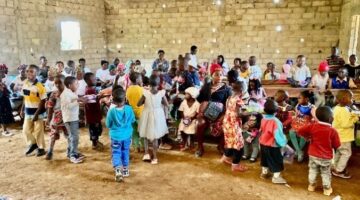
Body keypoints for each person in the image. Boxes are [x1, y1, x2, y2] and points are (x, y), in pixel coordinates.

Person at [297, 106, 340, 196]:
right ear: (331, 118)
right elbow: (337, 145)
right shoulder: (333, 131)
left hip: (313, 154)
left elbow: (300, 131)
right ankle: (327, 189)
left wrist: (307, 137)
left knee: (313, 170)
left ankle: (311, 186)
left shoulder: (313, 126)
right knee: (325, 173)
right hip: (326, 157)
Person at [196, 65, 231, 157]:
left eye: (221, 75)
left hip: (219, 115)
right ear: (211, 75)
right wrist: (200, 112)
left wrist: (223, 116)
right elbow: (200, 100)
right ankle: (200, 147)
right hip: (206, 113)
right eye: (216, 75)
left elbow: (229, 104)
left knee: (226, 124)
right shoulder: (206, 86)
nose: (219, 77)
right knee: (200, 123)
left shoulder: (226, 89)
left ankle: (220, 146)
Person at [137, 75, 169, 164]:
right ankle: (155, 157)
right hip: (158, 116)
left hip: (146, 114)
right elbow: (166, 104)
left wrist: (144, 100)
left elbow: (138, 104)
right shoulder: (161, 93)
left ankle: (146, 153)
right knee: (155, 138)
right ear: (159, 84)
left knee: (145, 135)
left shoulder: (145, 93)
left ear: (149, 84)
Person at [106, 88, 135, 182]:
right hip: (127, 136)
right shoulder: (129, 109)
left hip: (115, 137)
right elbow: (133, 120)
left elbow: (108, 124)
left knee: (116, 152)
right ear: (125, 99)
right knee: (125, 151)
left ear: (113, 101)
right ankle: (126, 170)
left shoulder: (111, 111)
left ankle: (118, 170)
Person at [221, 80, 248, 172]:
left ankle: (225, 158)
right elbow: (238, 114)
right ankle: (235, 165)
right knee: (238, 145)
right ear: (241, 90)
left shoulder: (229, 97)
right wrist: (248, 113)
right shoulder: (238, 100)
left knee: (230, 141)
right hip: (233, 124)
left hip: (227, 123)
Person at [332, 90, 359, 179]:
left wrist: (352, 114)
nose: (352, 99)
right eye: (351, 97)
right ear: (344, 99)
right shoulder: (343, 110)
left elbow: (344, 119)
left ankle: (335, 167)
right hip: (344, 137)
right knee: (346, 153)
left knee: (339, 152)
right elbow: (346, 124)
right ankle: (339, 170)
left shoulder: (337, 108)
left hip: (338, 135)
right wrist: (355, 118)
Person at [21, 65, 47, 157]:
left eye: (31, 71)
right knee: (25, 130)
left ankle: (41, 148)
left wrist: (36, 114)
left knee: (38, 131)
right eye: (27, 71)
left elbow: (43, 101)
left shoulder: (40, 86)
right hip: (28, 111)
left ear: (37, 73)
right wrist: (22, 109)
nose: (29, 73)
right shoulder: (25, 83)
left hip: (38, 112)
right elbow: (25, 97)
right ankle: (33, 143)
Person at [259, 99, 287, 184]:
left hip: (263, 143)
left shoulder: (263, 119)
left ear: (264, 110)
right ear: (276, 111)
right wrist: (283, 142)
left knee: (265, 159)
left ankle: (264, 173)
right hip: (273, 145)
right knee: (276, 160)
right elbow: (278, 135)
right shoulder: (276, 121)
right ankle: (276, 177)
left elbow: (262, 130)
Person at [61, 76, 85, 163]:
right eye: (76, 83)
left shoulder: (71, 92)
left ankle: (70, 152)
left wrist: (79, 100)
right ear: (70, 85)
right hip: (70, 119)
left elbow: (74, 102)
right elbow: (68, 106)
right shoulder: (65, 94)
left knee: (73, 136)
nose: (78, 84)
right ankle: (73, 155)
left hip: (73, 117)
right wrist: (78, 101)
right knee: (74, 137)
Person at [45, 75, 68, 160]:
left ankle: (70, 150)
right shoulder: (54, 94)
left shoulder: (69, 92)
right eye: (56, 83)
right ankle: (50, 151)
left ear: (64, 83)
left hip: (67, 117)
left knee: (69, 135)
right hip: (57, 117)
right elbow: (50, 107)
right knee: (53, 134)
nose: (58, 85)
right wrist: (48, 118)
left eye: (60, 82)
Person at [289, 90, 316, 162]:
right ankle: (299, 151)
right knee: (291, 132)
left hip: (307, 123)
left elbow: (314, 117)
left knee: (303, 134)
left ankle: (298, 151)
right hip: (298, 122)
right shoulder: (298, 105)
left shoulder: (312, 107)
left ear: (306, 99)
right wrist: (294, 115)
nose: (298, 99)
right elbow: (296, 115)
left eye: (300, 98)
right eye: (298, 98)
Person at [84, 72, 104, 150]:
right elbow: (92, 104)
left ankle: (96, 141)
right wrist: (99, 97)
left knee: (97, 129)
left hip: (94, 114)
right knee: (94, 129)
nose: (96, 80)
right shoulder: (90, 90)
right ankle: (94, 144)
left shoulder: (91, 88)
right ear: (88, 81)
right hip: (93, 115)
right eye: (94, 79)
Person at [125, 72, 144, 152]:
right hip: (141, 113)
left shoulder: (128, 89)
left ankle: (136, 147)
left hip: (131, 114)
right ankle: (143, 145)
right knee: (142, 131)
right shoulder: (141, 89)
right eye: (140, 78)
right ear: (137, 80)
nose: (141, 79)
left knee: (134, 131)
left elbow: (127, 101)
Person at [178, 87, 200, 151]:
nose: (185, 95)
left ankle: (192, 143)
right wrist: (184, 118)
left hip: (193, 120)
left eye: (187, 94)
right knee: (182, 129)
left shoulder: (197, 104)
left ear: (192, 95)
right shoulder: (184, 102)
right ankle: (184, 142)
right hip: (184, 119)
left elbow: (197, 113)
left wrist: (191, 119)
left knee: (192, 131)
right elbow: (181, 111)